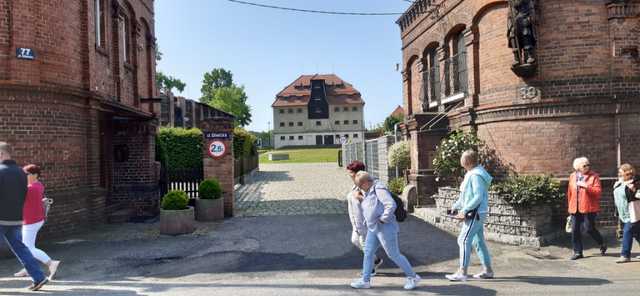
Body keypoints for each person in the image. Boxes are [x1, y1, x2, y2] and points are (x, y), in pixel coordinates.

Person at [350, 171, 420, 290]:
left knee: (393, 254)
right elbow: (372, 205)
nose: (361, 188)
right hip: (374, 227)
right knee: (368, 252)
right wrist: (363, 199)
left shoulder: (379, 188)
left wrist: (383, 219)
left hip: (384, 227)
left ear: (366, 182)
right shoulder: (369, 190)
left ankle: (413, 277)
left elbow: (390, 204)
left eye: (361, 186)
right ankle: (365, 280)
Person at [0, 142, 49, 291]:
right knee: (21, 248)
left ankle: (39, 278)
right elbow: (24, 194)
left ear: (1, 154)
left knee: (21, 248)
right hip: (16, 218)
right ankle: (39, 278)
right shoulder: (22, 173)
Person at [446, 150, 494, 281]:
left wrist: (465, 210)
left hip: (475, 214)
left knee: (463, 239)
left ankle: (462, 272)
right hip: (477, 212)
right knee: (478, 241)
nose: (461, 163)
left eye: (462, 160)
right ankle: (488, 271)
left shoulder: (475, 175)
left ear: (467, 161)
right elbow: (465, 196)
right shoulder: (472, 173)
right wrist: (455, 207)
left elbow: (478, 196)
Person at [13, 164, 60, 279]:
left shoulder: (31, 188)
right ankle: (28, 268)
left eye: (26, 174)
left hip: (31, 221)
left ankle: (51, 263)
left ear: (35, 175)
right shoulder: (38, 185)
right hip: (35, 219)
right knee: (28, 246)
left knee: (27, 248)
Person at [345, 161, 383, 276]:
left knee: (366, 246)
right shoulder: (354, 186)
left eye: (350, 173)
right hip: (356, 222)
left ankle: (370, 270)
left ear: (357, 173)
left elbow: (371, 204)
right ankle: (376, 260)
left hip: (365, 223)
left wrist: (361, 198)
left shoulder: (364, 187)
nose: (348, 174)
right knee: (355, 240)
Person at [567, 157, 607, 260]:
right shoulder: (572, 176)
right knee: (575, 230)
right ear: (577, 167)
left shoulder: (594, 176)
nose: (587, 167)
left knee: (589, 228)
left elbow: (598, 192)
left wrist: (586, 186)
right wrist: (569, 207)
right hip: (575, 208)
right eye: (584, 165)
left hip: (588, 208)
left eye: (588, 164)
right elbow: (570, 193)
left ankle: (601, 243)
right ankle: (577, 252)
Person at [613, 164, 640, 263]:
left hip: (633, 212)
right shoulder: (619, 183)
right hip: (623, 212)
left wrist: (635, 190)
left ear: (628, 173)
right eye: (619, 173)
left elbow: (638, 195)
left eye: (621, 173)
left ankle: (625, 255)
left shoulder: (636, 182)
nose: (619, 175)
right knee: (637, 233)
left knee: (627, 231)